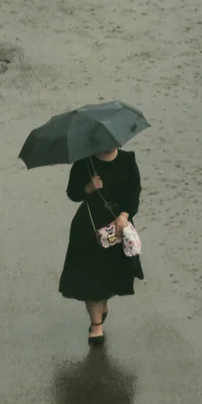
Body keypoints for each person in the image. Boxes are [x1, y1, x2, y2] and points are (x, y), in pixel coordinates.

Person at [59, 148, 144, 345]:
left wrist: (124, 216)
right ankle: (96, 325)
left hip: (118, 228)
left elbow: (134, 194)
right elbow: (72, 192)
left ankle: (102, 304)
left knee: (110, 275)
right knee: (92, 277)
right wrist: (88, 188)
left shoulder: (128, 159)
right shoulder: (84, 161)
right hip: (88, 229)